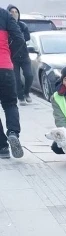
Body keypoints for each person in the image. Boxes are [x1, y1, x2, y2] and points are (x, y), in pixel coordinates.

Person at [0, 6, 24, 159]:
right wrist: (9, 54)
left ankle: (2, 147)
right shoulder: (4, 14)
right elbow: (19, 38)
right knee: (10, 104)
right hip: (5, 67)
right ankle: (13, 132)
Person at [7, 5, 31, 105]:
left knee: (29, 75)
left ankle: (26, 93)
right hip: (13, 57)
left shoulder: (22, 25)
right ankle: (20, 97)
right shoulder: (6, 27)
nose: (14, 14)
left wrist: (17, 36)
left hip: (24, 55)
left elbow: (27, 37)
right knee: (16, 78)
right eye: (11, 12)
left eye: (16, 12)